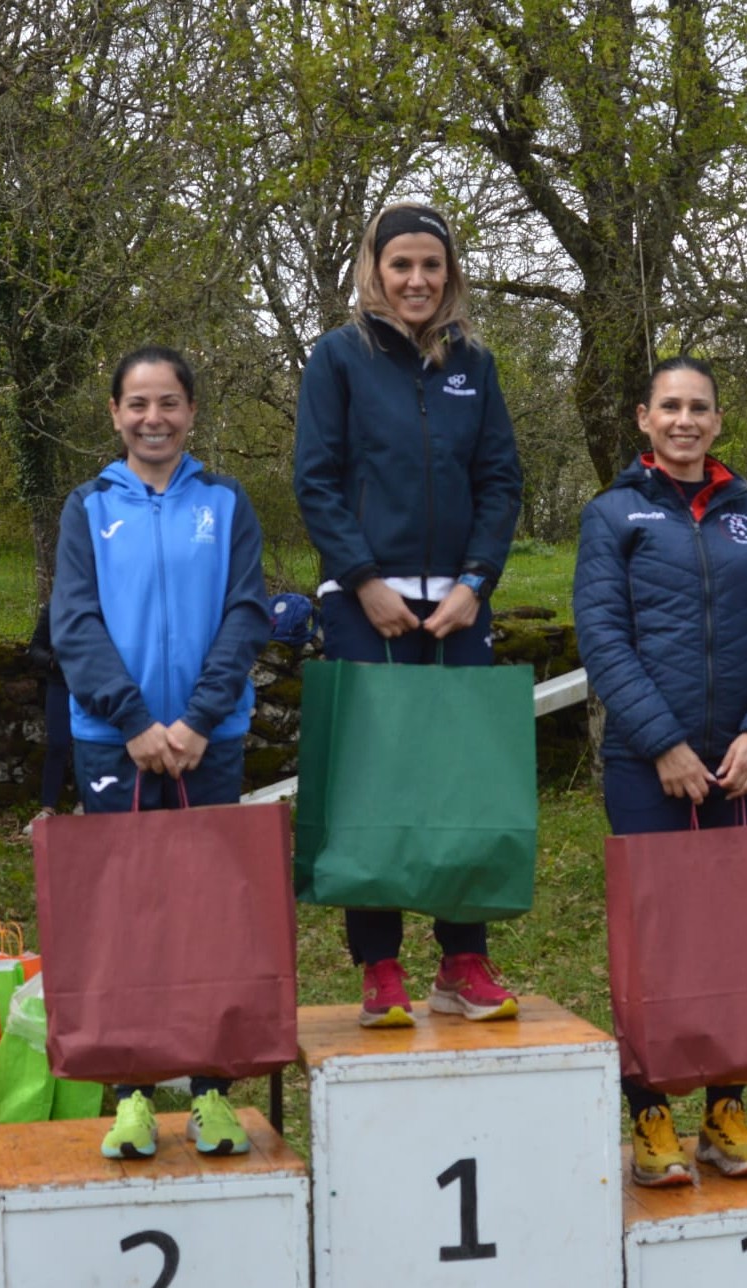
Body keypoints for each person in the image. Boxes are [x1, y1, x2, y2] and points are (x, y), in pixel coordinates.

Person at [573, 355, 747, 1188]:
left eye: (698, 408)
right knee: (658, 944)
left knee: (735, 941)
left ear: (716, 421)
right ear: (644, 418)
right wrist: (663, 745)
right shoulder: (612, 514)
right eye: (669, 406)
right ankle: (651, 1115)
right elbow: (601, 636)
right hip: (649, 768)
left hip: (742, 766)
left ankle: (723, 1111)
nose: (684, 420)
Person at [294, 201, 523, 1028]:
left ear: (449, 273)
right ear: (375, 270)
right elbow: (316, 480)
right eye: (401, 265)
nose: (417, 280)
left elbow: (499, 481)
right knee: (374, 783)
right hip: (368, 603)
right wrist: (362, 580)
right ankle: (379, 964)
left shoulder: (475, 366)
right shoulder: (337, 358)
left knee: (462, 779)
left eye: (431, 265)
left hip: (458, 606)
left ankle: (462, 960)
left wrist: (476, 582)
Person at [51, 345, 272, 1160]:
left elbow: (246, 613)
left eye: (169, 402)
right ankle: (133, 1098)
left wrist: (199, 719)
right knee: (127, 919)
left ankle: (211, 1093)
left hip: (208, 740)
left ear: (191, 412)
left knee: (208, 915)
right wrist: (135, 721)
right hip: (114, 742)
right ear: (115, 414)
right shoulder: (87, 507)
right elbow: (74, 623)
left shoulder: (225, 500)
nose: (154, 418)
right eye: (138, 404)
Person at [23, 601, 73, 835]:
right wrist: (51, 661)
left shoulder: (98, 605)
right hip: (59, 684)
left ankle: (86, 805)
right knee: (57, 744)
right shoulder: (53, 609)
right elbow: (35, 648)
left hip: (90, 683)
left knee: (88, 744)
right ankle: (48, 809)